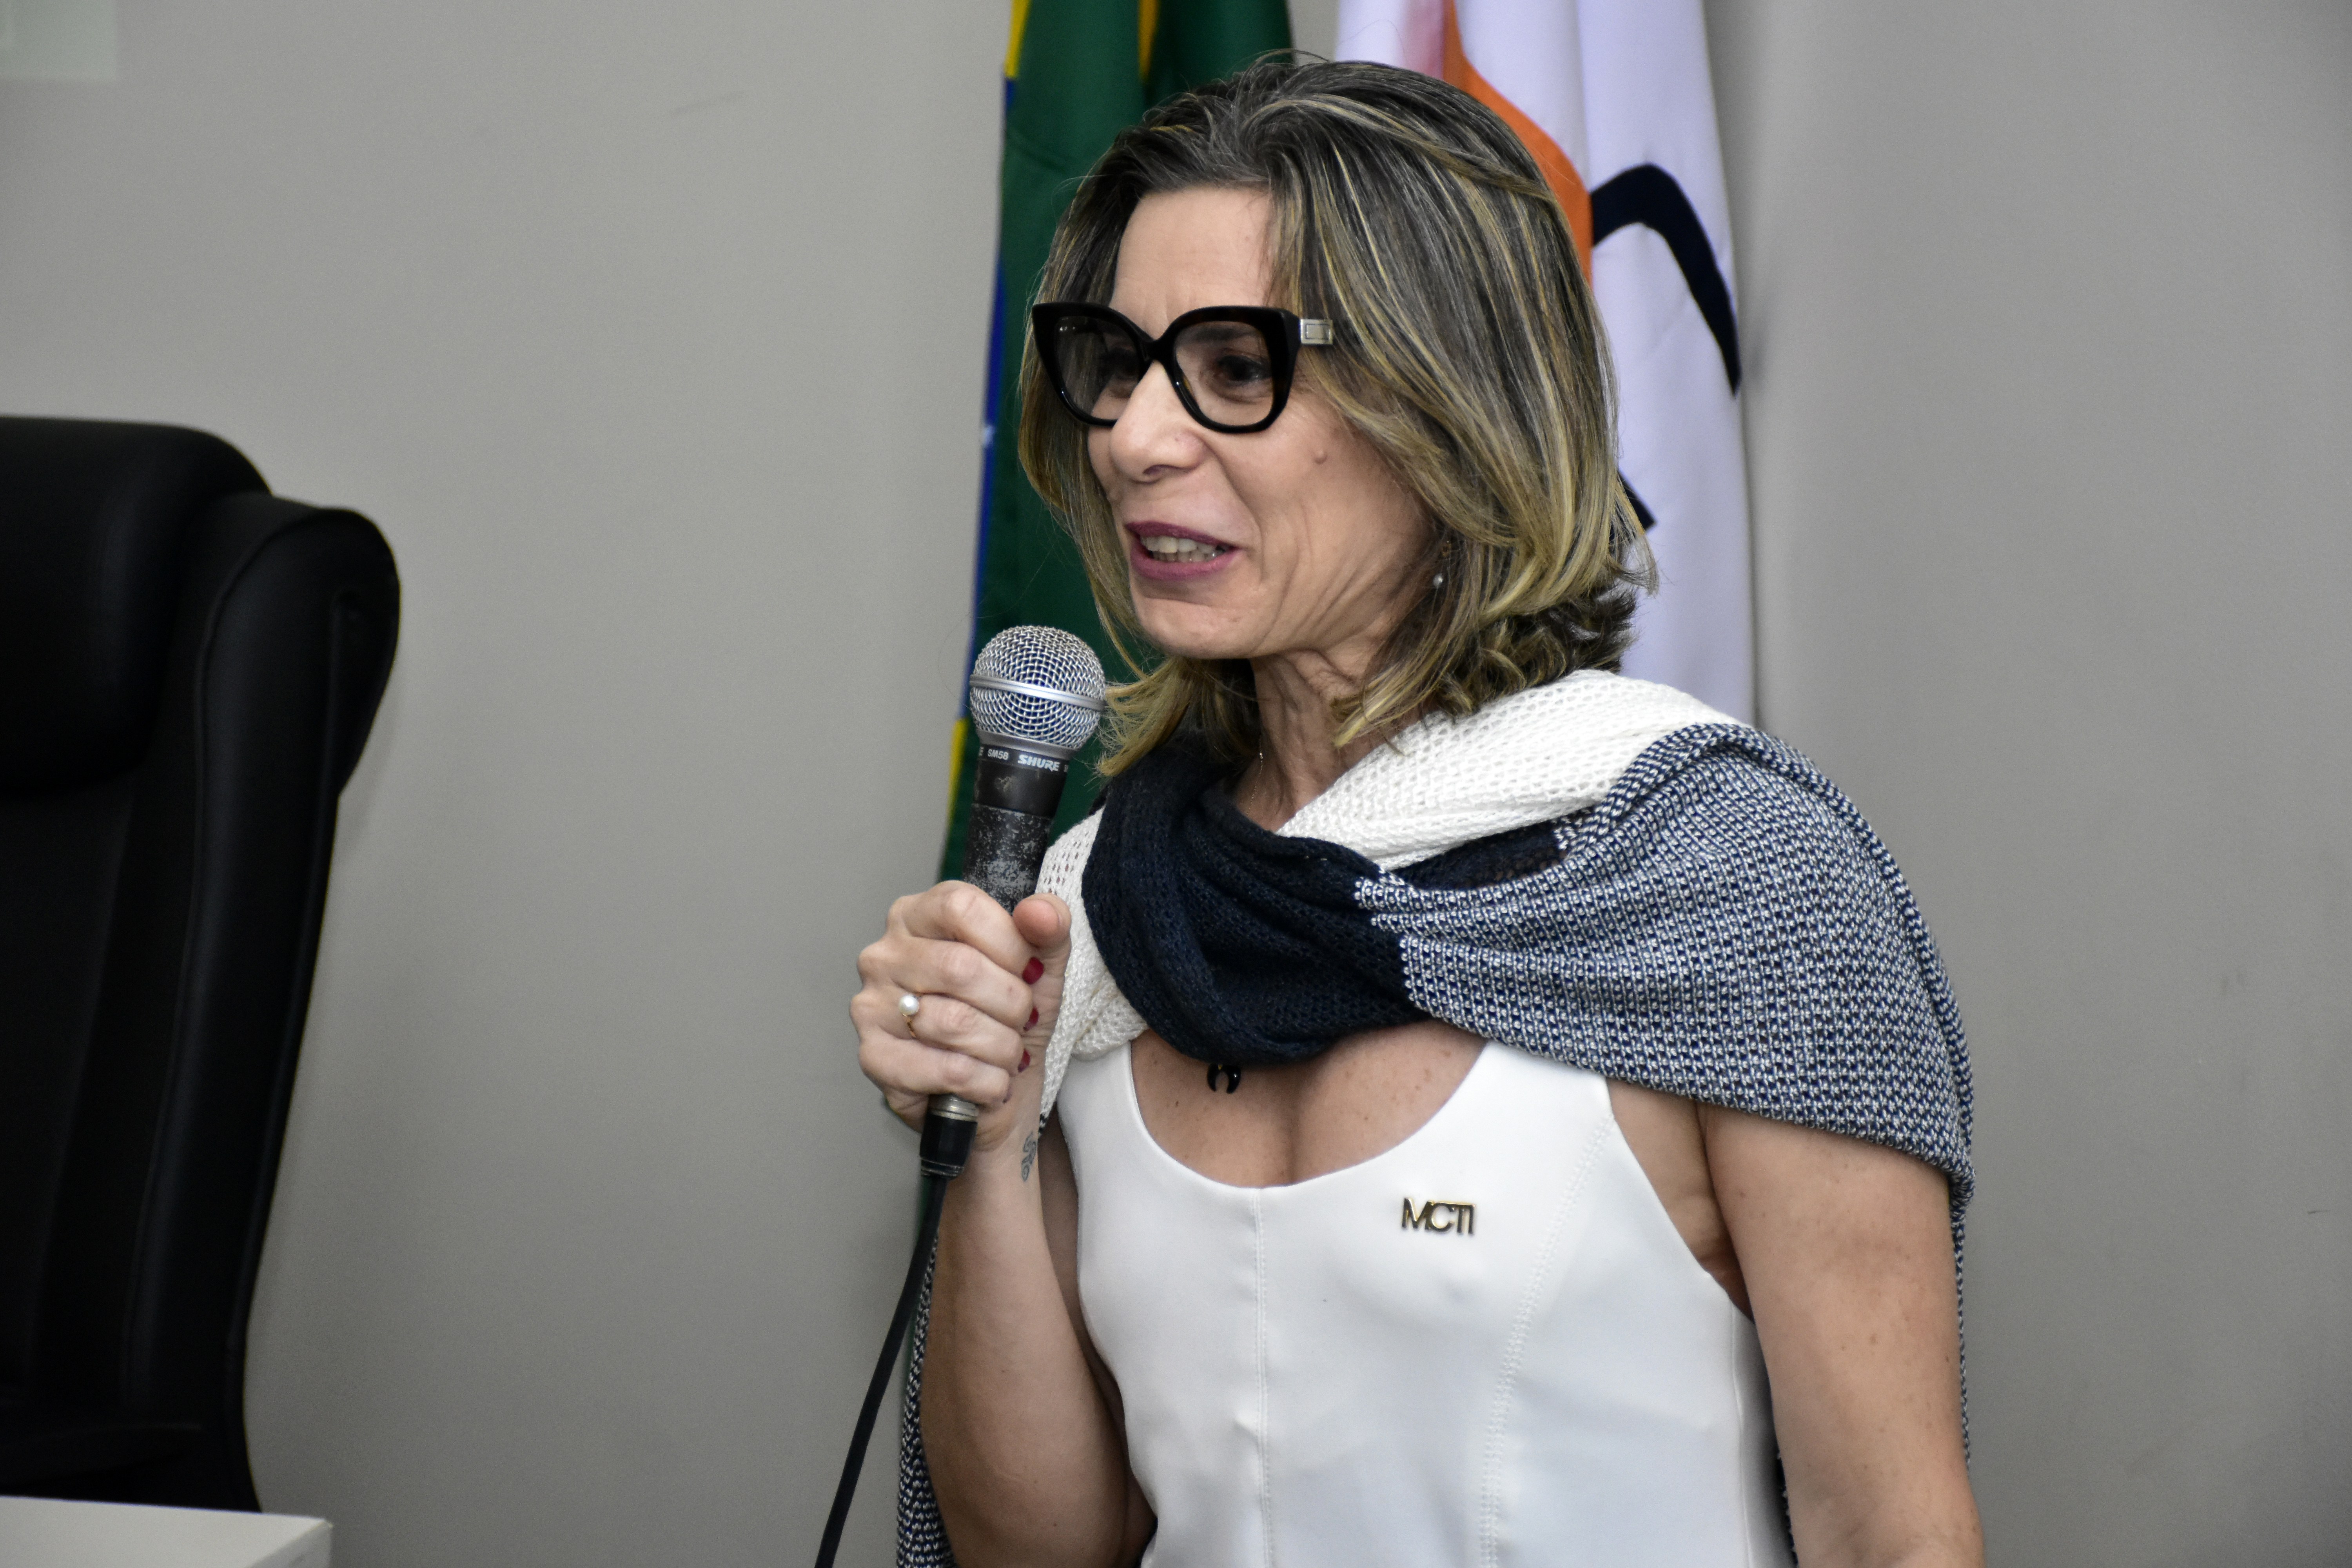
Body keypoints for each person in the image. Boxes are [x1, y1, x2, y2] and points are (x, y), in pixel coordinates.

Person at [855, 59, 1982, 1568]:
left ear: (1448, 399)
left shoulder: (1723, 876)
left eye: (1237, 368)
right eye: (1114, 361)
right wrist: (990, 1140)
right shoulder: (1103, 902)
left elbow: (1893, 1537)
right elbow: (1044, 1554)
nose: (1132, 436)